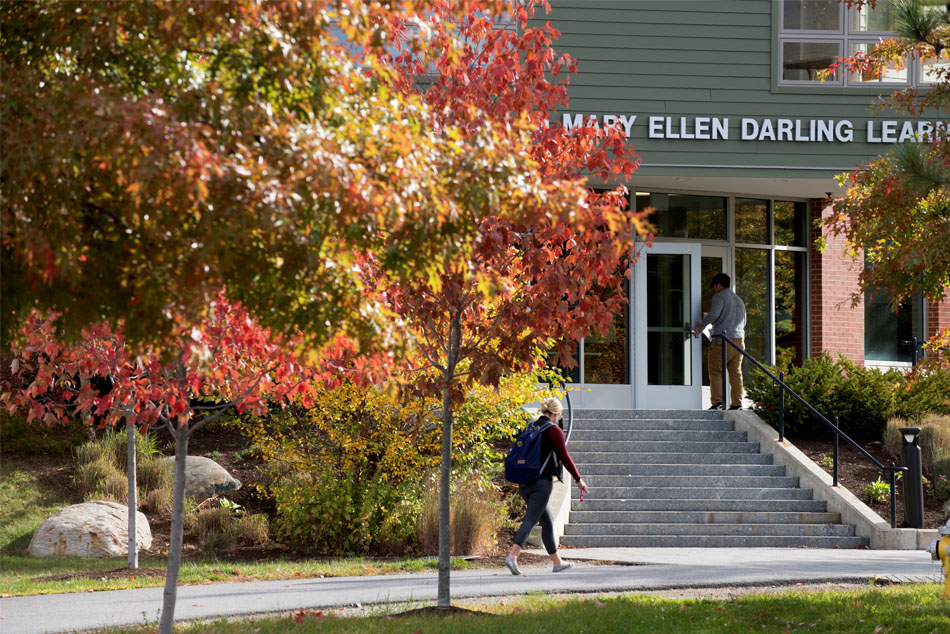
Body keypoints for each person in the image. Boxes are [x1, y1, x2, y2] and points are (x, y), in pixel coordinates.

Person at [505, 397, 588, 576]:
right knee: (530, 519)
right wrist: (578, 479)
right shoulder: (554, 431)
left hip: (524, 483)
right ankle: (513, 556)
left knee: (547, 521)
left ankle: (557, 562)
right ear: (556, 414)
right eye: (559, 415)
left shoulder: (530, 427)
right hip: (541, 484)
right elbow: (565, 458)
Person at [693, 272, 747, 411]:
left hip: (722, 340)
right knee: (736, 373)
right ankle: (737, 403)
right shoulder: (739, 300)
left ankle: (717, 402)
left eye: (714, 286)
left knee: (716, 371)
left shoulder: (719, 296)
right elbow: (744, 321)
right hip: (739, 340)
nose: (714, 289)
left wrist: (701, 326)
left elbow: (714, 314)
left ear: (719, 285)